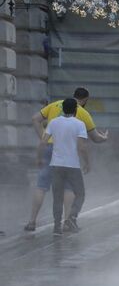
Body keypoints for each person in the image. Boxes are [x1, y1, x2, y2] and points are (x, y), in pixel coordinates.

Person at [26, 88, 107, 231]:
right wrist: (104, 138)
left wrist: (44, 138)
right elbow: (94, 138)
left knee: (41, 185)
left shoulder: (55, 105)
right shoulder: (83, 113)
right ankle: (66, 223)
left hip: (49, 149)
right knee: (68, 188)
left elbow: (35, 119)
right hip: (68, 156)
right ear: (85, 100)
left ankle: (32, 222)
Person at [37, 98, 90, 236]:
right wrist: (87, 162)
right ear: (76, 110)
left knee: (57, 197)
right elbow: (82, 147)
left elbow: (43, 142)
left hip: (56, 165)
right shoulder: (80, 124)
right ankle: (71, 218)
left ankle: (56, 227)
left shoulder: (53, 122)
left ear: (62, 109)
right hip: (73, 165)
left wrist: (39, 158)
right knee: (80, 193)